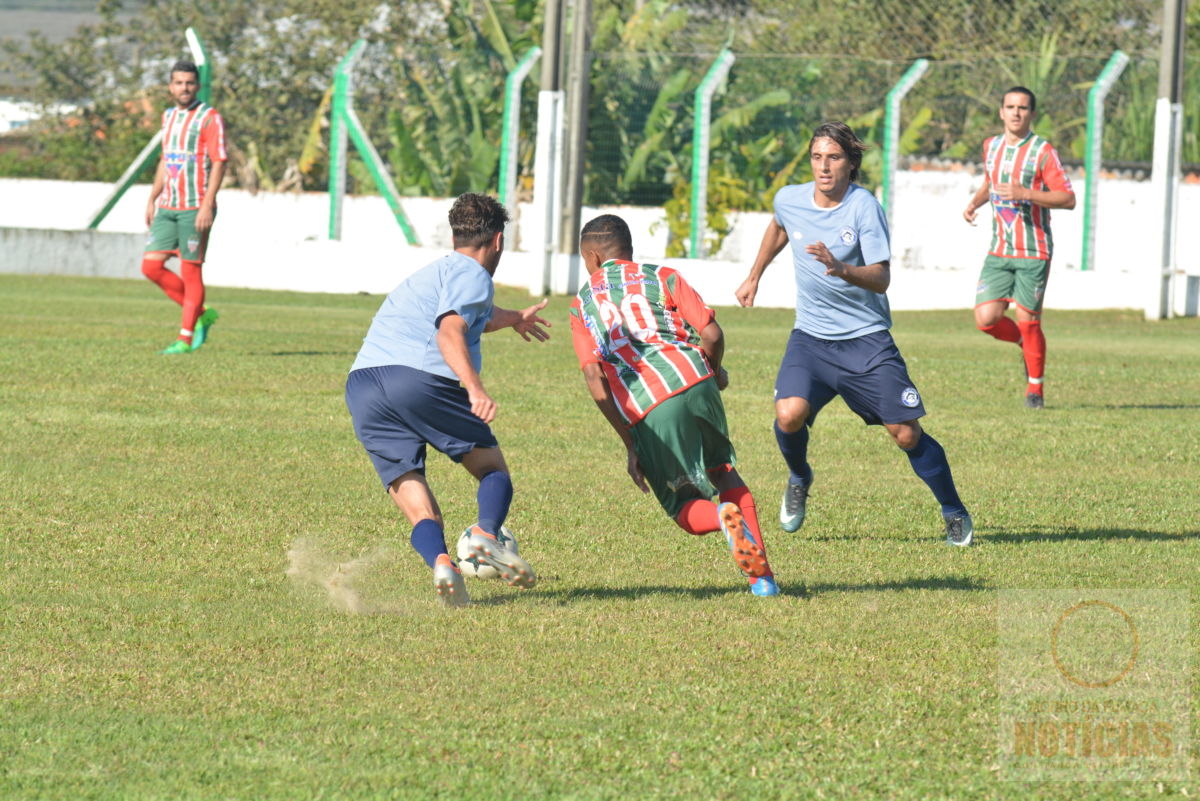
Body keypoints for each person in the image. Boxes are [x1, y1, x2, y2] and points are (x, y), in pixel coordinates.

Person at [735, 121, 974, 546]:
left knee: (905, 433)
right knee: (788, 415)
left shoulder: (864, 207)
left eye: (834, 158)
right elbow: (779, 226)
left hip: (865, 339)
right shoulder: (789, 198)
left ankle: (953, 509)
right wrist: (754, 275)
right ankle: (799, 477)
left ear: (851, 163)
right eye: (817, 157)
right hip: (810, 338)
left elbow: (881, 279)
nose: (824, 167)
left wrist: (840, 268)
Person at [345, 193, 550, 607]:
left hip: (363, 385)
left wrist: (513, 319)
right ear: (497, 241)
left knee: (416, 499)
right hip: (416, 379)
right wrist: (474, 388)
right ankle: (486, 537)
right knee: (492, 468)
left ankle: (442, 562)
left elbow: (474, 314)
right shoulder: (474, 274)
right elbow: (450, 329)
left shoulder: (436, 272)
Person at [570, 214, 780, 595]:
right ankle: (762, 581)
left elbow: (595, 380)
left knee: (683, 507)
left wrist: (629, 441)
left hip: (650, 407)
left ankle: (721, 517)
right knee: (724, 471)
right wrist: (713, 372)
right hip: (697, 380)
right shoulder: (662, 276)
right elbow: (712, 334)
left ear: (595, 258)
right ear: (628, 251)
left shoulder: (582, 304)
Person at [963, 86, 1076, 409]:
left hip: (1034, 250)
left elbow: (1067, 198)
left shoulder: (1043, 151)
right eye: (1010, 107)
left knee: (1029, 321)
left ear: (1032, 114)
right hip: (999, 249)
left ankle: (1034, 391)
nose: (1016, 113)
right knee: (986, 318)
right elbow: (991, 181)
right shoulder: (991, 146)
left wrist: (1025, 193)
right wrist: (975, 203)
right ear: (1001, 112)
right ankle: (1025, 346)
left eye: (1022, 108)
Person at [141, 60, 226, 355]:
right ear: (170, 86)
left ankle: (186, 337)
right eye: (179, 82)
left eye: (189, 83)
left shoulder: (209, 117)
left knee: (191, 272)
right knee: (150, 266)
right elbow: (166, 159)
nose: (184, 88)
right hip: (168, 204)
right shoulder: (169, 117)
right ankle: (201, 312)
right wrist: (153, 197)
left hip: (194, 206)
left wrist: (207, 204)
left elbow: (219, 161)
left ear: (197, 86)